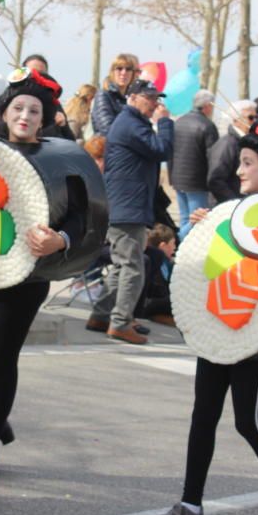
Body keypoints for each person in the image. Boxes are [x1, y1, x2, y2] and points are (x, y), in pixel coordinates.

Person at [146, 118, 258, 515]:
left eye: (247, 163)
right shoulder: (232, 212)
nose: (238, 171)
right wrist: (206, 229)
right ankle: (190, 508)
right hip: (219, 324)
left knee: (247, 420)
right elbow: (210, 267)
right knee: (203, 415)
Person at [0, 69, 88, 477]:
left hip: (26, 276)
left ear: (45, 117)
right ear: (5, 112)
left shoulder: (61, 157)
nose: (26, 115)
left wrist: (60, 239)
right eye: (18, 107)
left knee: (3, 355)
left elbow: (84, 215)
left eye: (34, 109)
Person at [86, 78, 174, 345]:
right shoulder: (131, 125)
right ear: (133, 98)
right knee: (133, 266)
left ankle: (101, 315)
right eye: (149, 98)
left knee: (120, 264)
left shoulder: (131, 123)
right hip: (127, 207)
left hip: (125, 205)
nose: (155, 103)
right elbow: (163, 149)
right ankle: (121, 322)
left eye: (157, 99)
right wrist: (166, 123)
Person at [170, 90, 218, 239]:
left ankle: (179, 248)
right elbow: (213, 157)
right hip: (198, 182)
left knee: (185, 219)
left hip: (178, 179)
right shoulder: (207, 126)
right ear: (207, 106)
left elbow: (170, 151)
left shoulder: (179, 122)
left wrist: (172, 177)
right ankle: (183, 249)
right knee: (198, 222)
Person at [206, 99, 256, 204]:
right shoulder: (227, 144)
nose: (255, 121)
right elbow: (215, 179)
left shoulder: (245, 142)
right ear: (236, 120)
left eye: (256, 117)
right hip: (226, 207)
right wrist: (235, 202)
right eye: (251, 118)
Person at [135, 223, 176, 326]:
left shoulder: (167, 263)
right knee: (177, 302)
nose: (174, 248)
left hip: (158, 299)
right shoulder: (155, 260)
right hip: (149, 302)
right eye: (173, 244)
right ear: (163, 246)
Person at [91, 53, 139, 137]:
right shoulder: (103, 95)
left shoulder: (131, 97)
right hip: (107, 147)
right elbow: (107, 129)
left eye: (128, 69)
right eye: (119, 68)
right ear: (112, 71)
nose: (123, 73)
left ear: (133, 73)